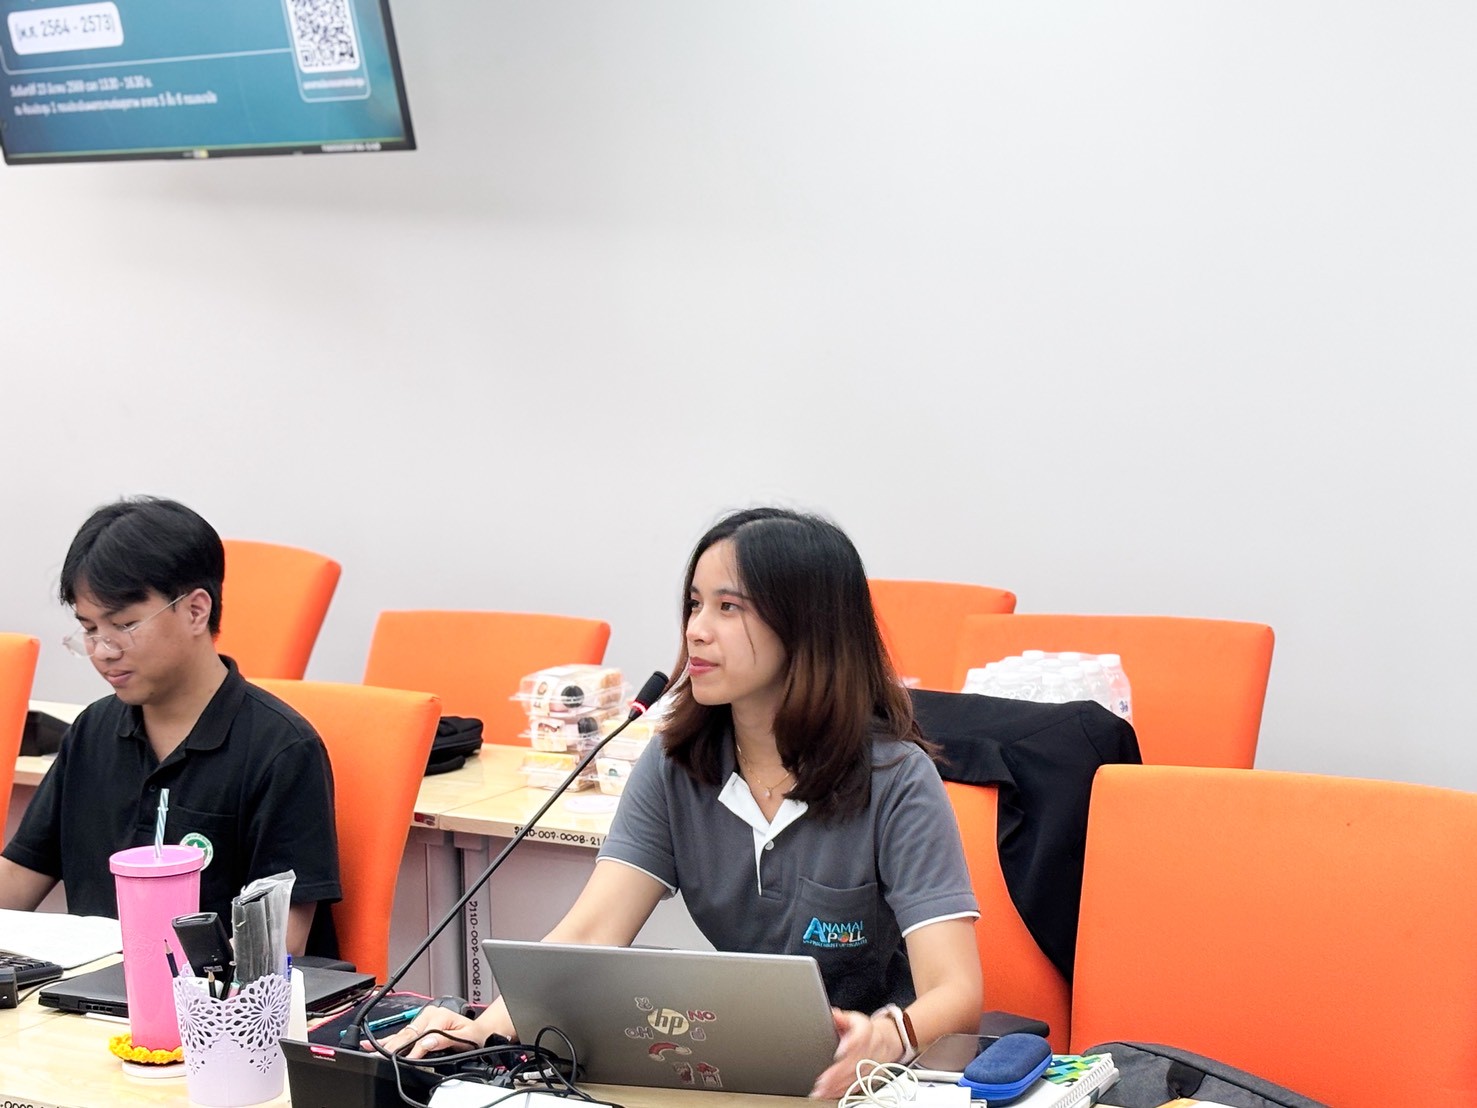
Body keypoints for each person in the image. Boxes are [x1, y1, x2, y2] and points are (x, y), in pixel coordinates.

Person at [385, 507, 982, 1097]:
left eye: (729, 607)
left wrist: (889, 1037)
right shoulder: (677, 762)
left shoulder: (897, 778)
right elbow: (592, 932)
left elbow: (956, 990)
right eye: (695, 604)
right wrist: (482, 1030)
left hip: (880, 1083)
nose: (696, 629)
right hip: (740, 1070)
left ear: (807, 628)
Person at [0, 496, 341, 956]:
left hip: (217, 998)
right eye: (90, 629)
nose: (103, 651)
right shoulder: (92, 731)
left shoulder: (280, 749)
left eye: (124, 625)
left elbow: (279, 944)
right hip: (87, 994)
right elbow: (17, 879)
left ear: (196, 611)